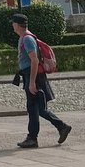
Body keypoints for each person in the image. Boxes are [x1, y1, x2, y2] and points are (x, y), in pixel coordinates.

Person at [11, 13, 71, 149]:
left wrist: (31, 82)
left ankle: (60, 127)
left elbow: (34, 60)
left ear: (17, 24)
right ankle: (33, 137)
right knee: (34, 108)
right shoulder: (24, 37)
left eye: (13, 23)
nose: (12, 26)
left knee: (38, 108)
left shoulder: (27, 39)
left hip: (34, 77)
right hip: (30, 76)